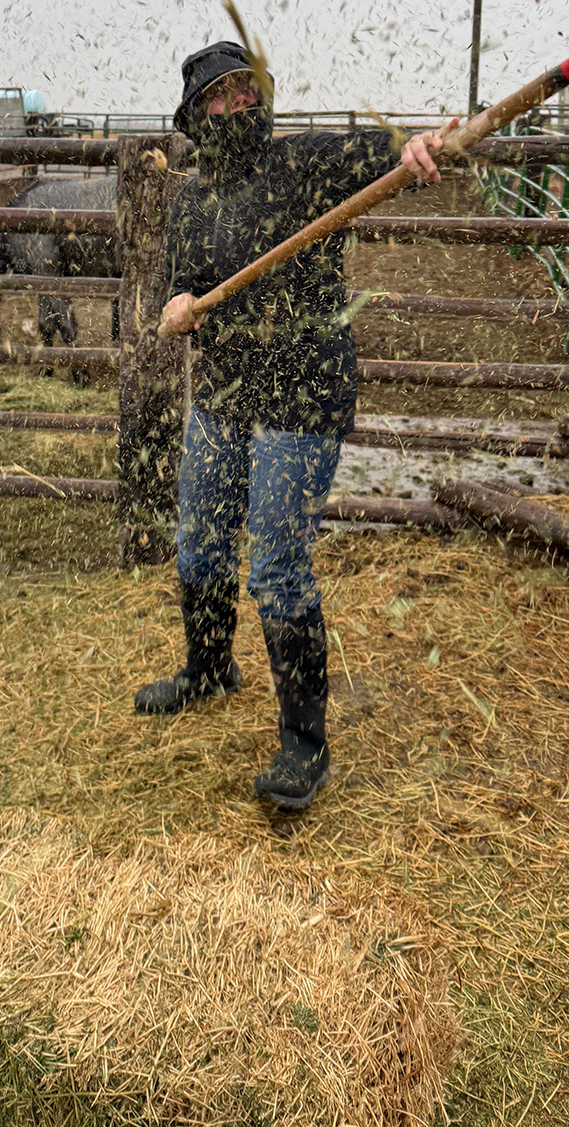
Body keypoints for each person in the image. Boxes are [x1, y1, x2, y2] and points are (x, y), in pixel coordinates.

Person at [133, 40, 451, 810]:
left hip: (303, 391)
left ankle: (304, 747)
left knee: (275, 559)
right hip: (225, 390)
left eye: (249, 91)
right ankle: (209, 669)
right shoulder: (192, 199)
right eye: (222, 96)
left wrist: (408, 147)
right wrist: (179, 305)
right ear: (196, 114)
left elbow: (374, 151)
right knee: (201, 536)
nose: (239, 104)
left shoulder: (301, 166)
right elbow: (185, 280)